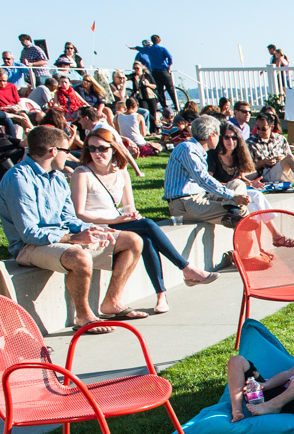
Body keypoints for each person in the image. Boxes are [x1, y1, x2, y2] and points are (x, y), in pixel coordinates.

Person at [0, 125, 145, 330]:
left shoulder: (57, 176)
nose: (70, 156)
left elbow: (69, 217)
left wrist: (94, 229)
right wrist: (74, 238)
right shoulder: (18, 179)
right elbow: (29, 233)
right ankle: (84, 316)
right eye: (67, 151)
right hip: (28, 247)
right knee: (79, 256)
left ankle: (112, 301)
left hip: (59, 239)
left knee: (132, 240)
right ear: (53, 151)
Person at [70, 127, 216, 314]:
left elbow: (128, 206)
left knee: (146, 237)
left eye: (102, 148)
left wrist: (132, 216)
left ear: (113, 148)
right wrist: (116, 220)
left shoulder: (120, 171)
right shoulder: (82, 173)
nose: (97, 153)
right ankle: (186, 269)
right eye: (91, 149)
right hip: (96, 225)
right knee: (147, 226)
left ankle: (161, 295)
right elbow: (79, 213)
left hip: (117, 220)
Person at [163, 114, 252, 226]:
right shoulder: (187, 149)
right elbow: (202, 179)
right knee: (241, 211)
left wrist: (232, 196)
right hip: (185, 203)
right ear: (212, 136)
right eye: (219, 135)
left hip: (201, 196)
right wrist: (232, 196)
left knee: (238, 184)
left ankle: (232, 214)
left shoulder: (197, 150)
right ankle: (235, 218)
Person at [140, 35, 177, 111]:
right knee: (170, 88)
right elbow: (170, 57)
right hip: (163, 71)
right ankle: (176, 105)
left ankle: (164, 106)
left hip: (154, 71)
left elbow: (141, 49)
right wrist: (169, 65)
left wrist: (133, 48)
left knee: (160, 90)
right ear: (159, 41)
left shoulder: (149, 49)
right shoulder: (162, 49)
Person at [128, 61, 160, 133]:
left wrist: (148, 84)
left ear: (141, 68)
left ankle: (153, 130)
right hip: (142, 97)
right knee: (145, 112)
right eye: (134, 69)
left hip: (151, 96)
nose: (136, 70)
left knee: (153, 113)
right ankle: (145, 129)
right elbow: (127, 77)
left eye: (137, 68)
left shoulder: (147, 75)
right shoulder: (134, 76)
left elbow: (155, 85)